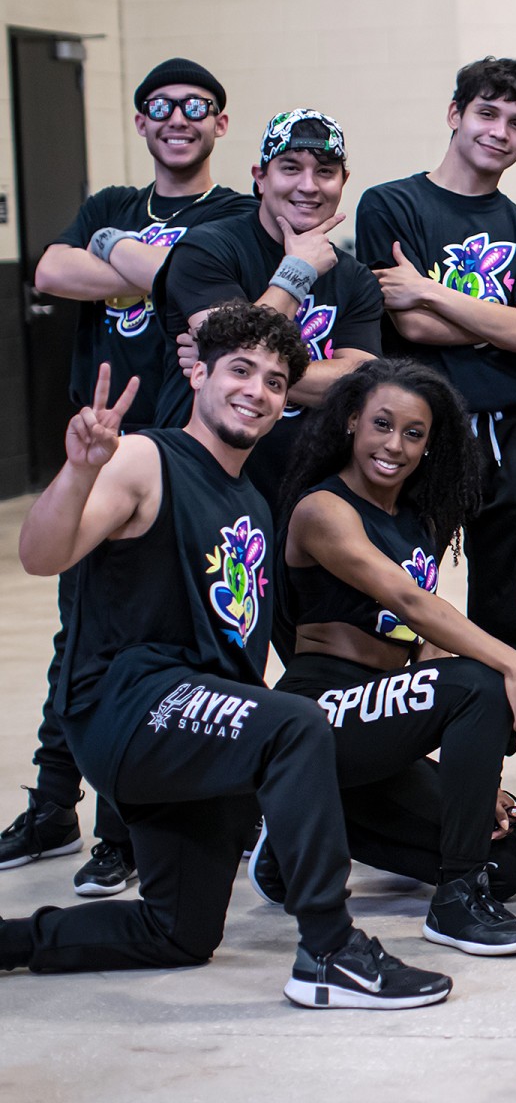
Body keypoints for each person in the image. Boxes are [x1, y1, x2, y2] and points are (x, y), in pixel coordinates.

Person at [0, 303, 452, 1009]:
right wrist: (80, 472)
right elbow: (41, 555)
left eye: (275, 381)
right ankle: (330, 952)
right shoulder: (146, 459)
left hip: (197, 722)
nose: (257, 391)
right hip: (130, 705)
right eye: (241, 370)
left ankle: (11, 943)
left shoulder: (251, 500)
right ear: (199, 374)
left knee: (177, 932)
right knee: (297, 725)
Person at [5, 57, 254, 896]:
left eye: (197, 106)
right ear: (142, 122)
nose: (178, 117)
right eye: (161, 106)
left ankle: (135, 823)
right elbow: (49, 270)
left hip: (187, 458)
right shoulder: (111, 205)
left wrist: (131, 268)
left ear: (221, 123)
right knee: (79, 631)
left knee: (173, 640)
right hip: (98, 451)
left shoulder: (237, 215)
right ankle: (52, 802)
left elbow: (232, 305)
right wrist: (170, 274)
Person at [261, 359, 516, 955]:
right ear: (352, 421)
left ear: (430, 444)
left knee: (505, 866)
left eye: (413, 433)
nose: (394, 445)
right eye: (382, 424)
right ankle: (454, 904)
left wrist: (467, 785)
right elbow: (409, 602)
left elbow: (420, 646)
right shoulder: (323, 508)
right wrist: (515, 663)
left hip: (376, 716)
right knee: (480, 681)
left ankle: (293, 841)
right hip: (320, 709)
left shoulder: (415, 520)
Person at [357, 57, 516, 650]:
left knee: (508, 597)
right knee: (401, 589)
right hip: (422, 425)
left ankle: (494, 705)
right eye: (487, 113)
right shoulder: (391, 204)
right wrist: (502, 321)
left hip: (513, 434)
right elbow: (411, 326)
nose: (499, 132)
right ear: (455, 114)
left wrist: (429, 289)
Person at [152, 108, 382, 499]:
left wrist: (230, 362)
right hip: (202, 481)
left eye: (325, 172)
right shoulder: (207, 248)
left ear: (343, 181)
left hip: (309, 490)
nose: (308, 186)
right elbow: (238, 352)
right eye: (290, 168)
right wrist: (297, 270)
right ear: (260, 177)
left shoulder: (355, 278)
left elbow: (363, 385)